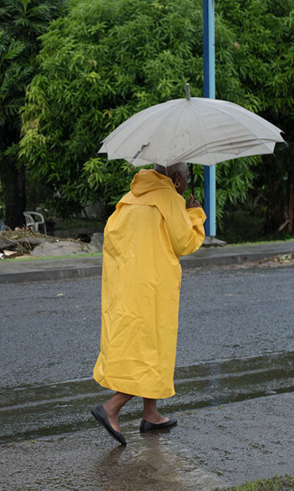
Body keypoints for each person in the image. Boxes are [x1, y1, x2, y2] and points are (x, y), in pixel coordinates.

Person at [91, 162, 206, 445]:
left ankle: (151, 413)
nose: (187, 184)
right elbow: (185, 243)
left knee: (144, 348)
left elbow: (114, 243)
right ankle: (111, 408)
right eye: (187, 179)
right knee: (151, 352)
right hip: (154, 289)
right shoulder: (169, 199)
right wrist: (195, 214)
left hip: (127, 289)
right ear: (177, 178)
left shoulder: (129, 199)